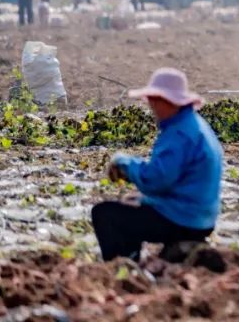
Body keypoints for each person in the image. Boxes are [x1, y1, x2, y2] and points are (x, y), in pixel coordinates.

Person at [91, 68, 223, 262]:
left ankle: (124, 267)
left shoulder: (178, 134)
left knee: (105, 214)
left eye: (156, 99)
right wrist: (144, 200)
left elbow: (155, 180)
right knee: (133, 205)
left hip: (183, 218)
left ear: (171, 102)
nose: (151, 105)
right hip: (201, 218)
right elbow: (174, 181)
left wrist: (124, 164)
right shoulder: (195, 125)